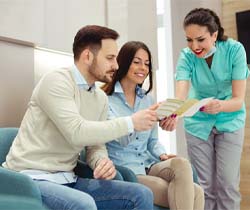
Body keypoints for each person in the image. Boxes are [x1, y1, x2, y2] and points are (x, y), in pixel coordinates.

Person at [2, 25, 158, 210]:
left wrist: (100, 161)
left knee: (140, 194)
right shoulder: (56, 82)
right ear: (87, 56)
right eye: (109, 58)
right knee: (84, 204)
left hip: (68, 178)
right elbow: (77, 132)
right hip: (31, 178)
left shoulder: (99, 97)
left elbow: (95, 145)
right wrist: (130, 122)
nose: (116, 65)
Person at [161, 8, 249, 210]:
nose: (194, 46)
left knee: (227, 185)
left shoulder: (235, 50)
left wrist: (220, 106)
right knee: (203, 186)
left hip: (230, 120)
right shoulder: (186, 56)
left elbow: (237, 99)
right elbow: (181, 94)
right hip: (198, 124)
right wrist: (174, 114)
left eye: (200, 39)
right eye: (189, 40)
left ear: (214, 34)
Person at [102, 41, 204, 210]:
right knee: (194, 193)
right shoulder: (106, 99)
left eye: (147, 64)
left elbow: (152, 141)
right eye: (137, 62)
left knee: (183, 166)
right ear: (123, 62)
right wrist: (138, 121)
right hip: (126, 170)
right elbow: (121, 139)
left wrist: (162, 154)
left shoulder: (147, 99)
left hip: (148, 164)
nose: (143, 67)